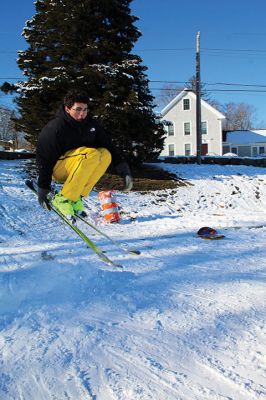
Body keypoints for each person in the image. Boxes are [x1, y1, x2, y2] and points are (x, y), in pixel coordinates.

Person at [36, 89, 133, 218]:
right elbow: (44, 157)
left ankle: (75, 198)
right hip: (57, 169)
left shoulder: (91, 125)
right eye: (78, 109)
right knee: (91, 153)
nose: (83, 113)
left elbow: (109, 145)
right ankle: (63, 198)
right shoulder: (56, 127)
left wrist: (124, 170)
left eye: (85, 109)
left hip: (79, 165)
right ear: (67, 109)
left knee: (105, 154)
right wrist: (43, 188)